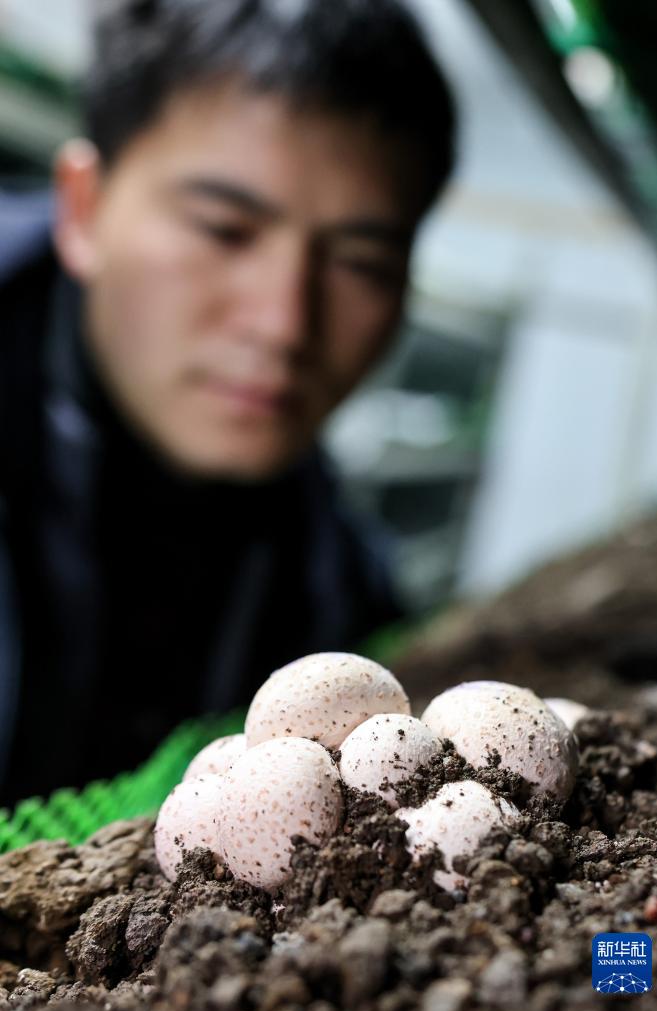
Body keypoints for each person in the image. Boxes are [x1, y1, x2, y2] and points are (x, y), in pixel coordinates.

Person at [0, 0, 455, 805]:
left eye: (359, 261)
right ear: (85, 207)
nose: (284, 323)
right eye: (223, 228)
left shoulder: (338, 585)